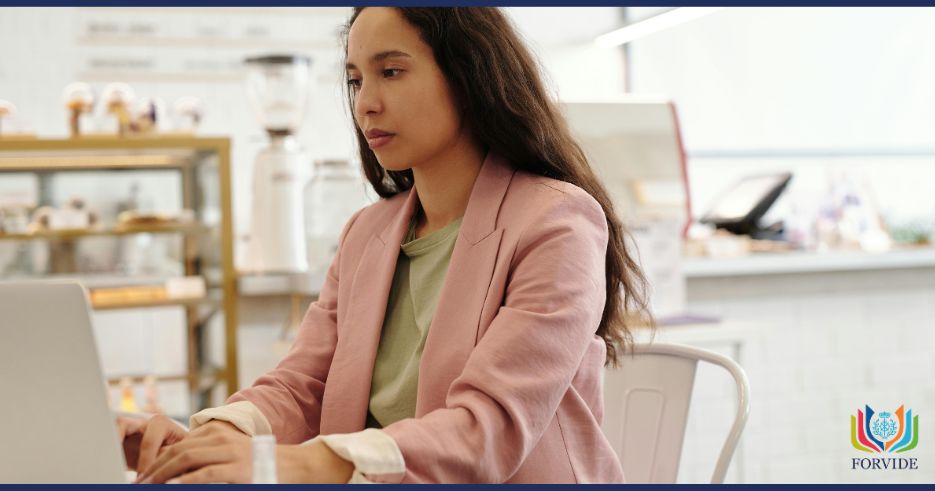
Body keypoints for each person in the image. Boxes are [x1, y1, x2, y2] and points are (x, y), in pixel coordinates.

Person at [120, 6, 650, 484]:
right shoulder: (366, 234)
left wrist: (297, 463)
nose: (366, 104)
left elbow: (486, 429)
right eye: (355, 81)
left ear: (468, 76)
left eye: (390, 72)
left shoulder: (558, 222)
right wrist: (214, 441)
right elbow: (304, 384)